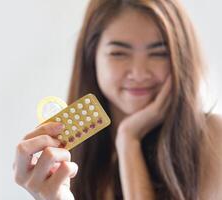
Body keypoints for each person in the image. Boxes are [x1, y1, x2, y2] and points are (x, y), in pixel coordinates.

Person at [13, 0, 222, 199]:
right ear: (92, 57)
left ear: (181, 58)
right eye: (119, 53)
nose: (139, 73)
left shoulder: (213, 138)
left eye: (159, 53)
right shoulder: (66, 156)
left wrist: (128, 139)